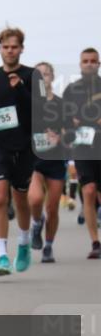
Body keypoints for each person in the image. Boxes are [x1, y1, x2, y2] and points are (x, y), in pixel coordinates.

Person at [0, 27, 34, 276]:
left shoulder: (32, 75)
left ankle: (23, 244)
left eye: (14, 46)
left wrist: (20, 88)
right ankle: (2, 257)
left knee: (21, 198)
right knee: (0, 196)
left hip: (23, 144)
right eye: (5, 46)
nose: (10, 51)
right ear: (0, 49)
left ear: (21, 48)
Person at [61, 47, 101, 259]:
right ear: (80, 64)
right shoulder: (71, 90)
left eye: (93, 61)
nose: (89, 64)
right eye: (85, 61)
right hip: (83, 147)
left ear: (99, 64)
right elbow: (67, 119)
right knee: (88, 190)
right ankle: (95, 242)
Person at [28, 62, 66, 262]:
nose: (43, 78)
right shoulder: (30, 103)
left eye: (47, 74)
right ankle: (36, 222)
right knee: (35, 199)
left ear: (52, 77)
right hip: (34, 160)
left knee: (52, 208)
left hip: (56, 159)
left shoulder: (61, 104)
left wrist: (59, 136)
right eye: (39, 75)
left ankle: (49, 246)